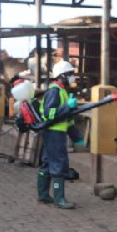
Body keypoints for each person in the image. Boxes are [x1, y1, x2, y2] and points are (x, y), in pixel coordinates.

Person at [37, 60, 83, 209]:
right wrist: (66, 107)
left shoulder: (62, 91)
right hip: (54, 133)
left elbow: (66, 119)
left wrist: (76, 136)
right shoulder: (54, 91)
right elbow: (49, 114)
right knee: (58, 163)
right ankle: (59, 199)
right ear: (62, 76)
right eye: (70, 74)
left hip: (55, 132)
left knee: (47, 162)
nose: (72, 77)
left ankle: (43, 195)